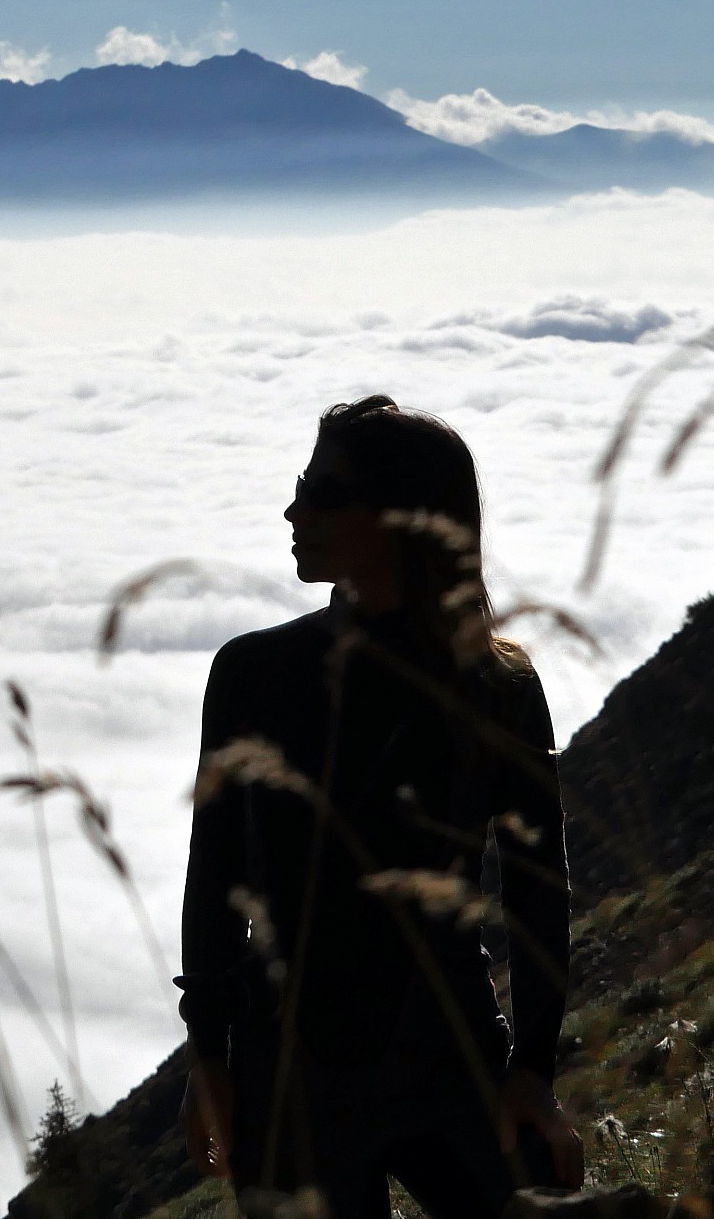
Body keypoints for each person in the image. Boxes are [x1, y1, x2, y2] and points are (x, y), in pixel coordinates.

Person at [177, 395, 580, 1219]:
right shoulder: (251, 672)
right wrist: (208, 1059)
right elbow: (214, 873)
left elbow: (537, 889)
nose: (294, 510)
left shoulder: (498, 688)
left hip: (417, 1067)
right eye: (300, 485)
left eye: (324, 493)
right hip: (326, 1078)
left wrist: (535, 1071)